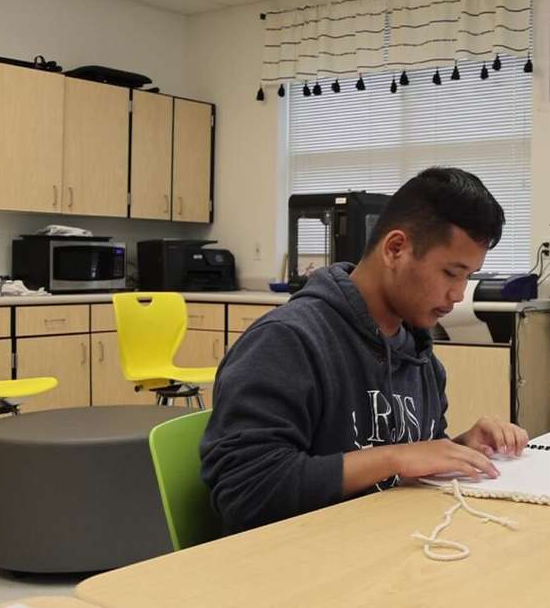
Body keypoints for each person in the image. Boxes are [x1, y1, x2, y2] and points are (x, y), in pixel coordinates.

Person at [202, 167, 529, 534]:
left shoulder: (418, 354)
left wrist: (457, 450)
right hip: (295, 561)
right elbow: (246, 493)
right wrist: (395, 458)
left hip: (386, 545)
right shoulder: (287, 341)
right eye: (451, 273)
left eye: (468, 277)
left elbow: (398, 466)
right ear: (395, 249)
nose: (457, 294)